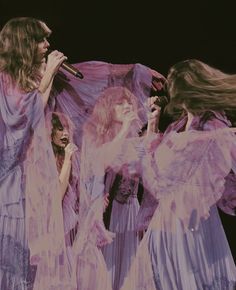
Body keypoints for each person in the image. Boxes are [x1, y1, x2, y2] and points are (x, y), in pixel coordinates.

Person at [120, 59, 236, 290]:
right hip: (166, 217)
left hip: (192, 218)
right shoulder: (178, 126)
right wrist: (152, 126)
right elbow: (151, 171)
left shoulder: (213, 124)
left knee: (191, 279)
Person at [0, 17, 75, 290]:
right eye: (41, 40)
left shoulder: (31, 78)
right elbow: (22, 120)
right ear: (24, 43)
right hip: (10, 183)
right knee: (11, 258)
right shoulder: (4, 80)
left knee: (31, 262)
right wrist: (49, 75)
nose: (47, 45)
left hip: (33, 180)